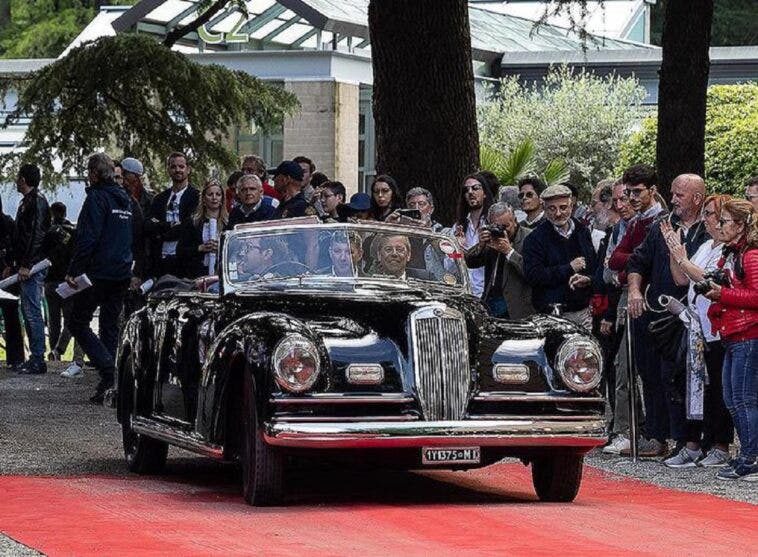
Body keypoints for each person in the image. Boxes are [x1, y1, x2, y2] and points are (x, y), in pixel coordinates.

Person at [627, 174, 709, 459]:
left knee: (691, 379)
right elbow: (637, 261)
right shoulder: (662, 225)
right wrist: (635, 291)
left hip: (697, 316)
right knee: (656, 375)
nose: (672, 200)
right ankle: (659, 435)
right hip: (661, 315)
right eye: (672, 194)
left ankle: (694, 441)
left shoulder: (710, 229)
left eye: (679, 195)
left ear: (697, 198)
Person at [660, 194, 733, 468]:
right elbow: (682, 277)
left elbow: (705, 278)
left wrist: (681, 257)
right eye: (706, 214)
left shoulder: (727, 251)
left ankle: (720, 444)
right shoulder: (705, 245)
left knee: (718, 389)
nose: (707, 220)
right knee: (693, 387)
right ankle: (692, 443)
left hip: (717, 330)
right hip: (695, 328)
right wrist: (673, 251)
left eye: (713, 214)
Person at [65, 153, 134, 404]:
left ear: (93, 173)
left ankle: (108, 371)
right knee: (109, 325)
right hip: (122, 271)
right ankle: (111, 385)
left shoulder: (96, 197)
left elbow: (87, 237)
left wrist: (74, 270)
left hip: (98, 272)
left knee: (78, 322)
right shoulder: (125, 199)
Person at [705, 199, 758, 481]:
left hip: (748, 334)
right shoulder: (733, 254)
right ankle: (748, 454)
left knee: (743, 398)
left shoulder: (750, 255)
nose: (719, 225)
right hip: (734, 334)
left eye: (724, 221)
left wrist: (721, 295)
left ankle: (751, 457)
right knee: (732, 397)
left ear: (739, 225)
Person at [600, 181, 645, 455]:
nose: (620, 205)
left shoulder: (643, 224)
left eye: (626, 198)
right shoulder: (620, 227)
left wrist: (620, 271)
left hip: (639, 300)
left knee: (629, 367)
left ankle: (630, 430)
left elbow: (634, 262)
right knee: (621, 365)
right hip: (621, 301)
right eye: (616, 200)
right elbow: (608, 268)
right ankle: (629, 426)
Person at [523, 184, 597, 328]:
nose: (558, 213)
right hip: (550, 316)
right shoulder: (535, 239)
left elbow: (594, 267)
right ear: (544, 209)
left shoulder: (583, 232)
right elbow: (533, 275)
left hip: (581, 312)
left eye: (563, 207)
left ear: (571, 206)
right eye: (552, 208)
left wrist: (588, 279)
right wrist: (569, 268)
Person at [3, 164, 50, 375]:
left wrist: (26, 265)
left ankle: (38, 358)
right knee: (27, 310)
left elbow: (34, 236)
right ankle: (35, 357)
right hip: (25, 264)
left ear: (23, 179)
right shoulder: (28, 203)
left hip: (32, 265)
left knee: (32, 312)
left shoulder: (36, 203)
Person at [465, 202, 534, 319]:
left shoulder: (530, 238)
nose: (503, 231)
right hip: (490, 301)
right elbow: (470, 262)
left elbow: (533, 272)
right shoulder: (492, 238)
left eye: (505, 226)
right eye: (496, 226)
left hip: (516, 307)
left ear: (515, 221)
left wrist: (509, 252)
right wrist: (481, 245)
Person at [42, 202, 86, 377]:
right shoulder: (73, 232)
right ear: (65, 212)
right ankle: (59, 350)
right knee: (70, 320)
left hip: (51, 280)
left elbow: (43, 253)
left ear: (52, 214)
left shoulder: (49, 233)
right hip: (68, 281)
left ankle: (54, 352)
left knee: (53, 321)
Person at [145, 152, 199, 278]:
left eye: (181, 167)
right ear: (168, 169)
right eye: (173, 167)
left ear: (188, 169)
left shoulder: (197, 197)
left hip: (185, 259)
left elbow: (188, 226)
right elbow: (148, 225)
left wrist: (162, 228)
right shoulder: (159, 198)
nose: (177, 170)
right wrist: (171, 225)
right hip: (161, 260)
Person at [452, 173, 494, 298]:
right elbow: (448, 265)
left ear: (485, 193)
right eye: (466, 190)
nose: (470, 192)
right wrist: (458, 250)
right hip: (464, 294)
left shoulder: (492, 223)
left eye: (475, 188)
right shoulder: (458, 227)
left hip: (488, 294)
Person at [178, 181, 229, 279]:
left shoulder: (229, 223)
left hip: (221, 274)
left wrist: (221, 248)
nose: (214, 198)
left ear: (222, 198)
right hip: (196, 275)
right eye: (210, 194)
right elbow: (180, 251)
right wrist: (200, 248)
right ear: (204, 199)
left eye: (218, 194)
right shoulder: (192, 223)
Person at [0, 196, 24, 372]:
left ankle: (15, 357)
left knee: (11, 315)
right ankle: (15, 357)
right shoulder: (8, 222)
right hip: (7, 273)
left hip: (6, 270)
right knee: (11, 315)